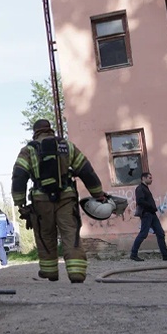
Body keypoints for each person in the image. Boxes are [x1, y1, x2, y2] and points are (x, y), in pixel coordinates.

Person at [11, 119, 106, 283]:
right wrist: (98, 194)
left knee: (45, 234)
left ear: (35, 132)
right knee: (70, 233)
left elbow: (19, 176)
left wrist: (19, 203)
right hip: (66, 198)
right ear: (50, 130)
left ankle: (50, 272)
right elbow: (86, 170)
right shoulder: (67, 146)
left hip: (41, 201)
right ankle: (76, 272)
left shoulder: (28, 150)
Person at [129, 172, 167, 262]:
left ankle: (166, 255)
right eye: (149, 178)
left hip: (152, 214)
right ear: (143, 178)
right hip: (146, 214)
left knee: (160, 233)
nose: (151, 179)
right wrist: (151, 207)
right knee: (143, 234)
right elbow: (140, 201)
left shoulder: (145, 188)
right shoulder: (140, 188)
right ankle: (133, 254)